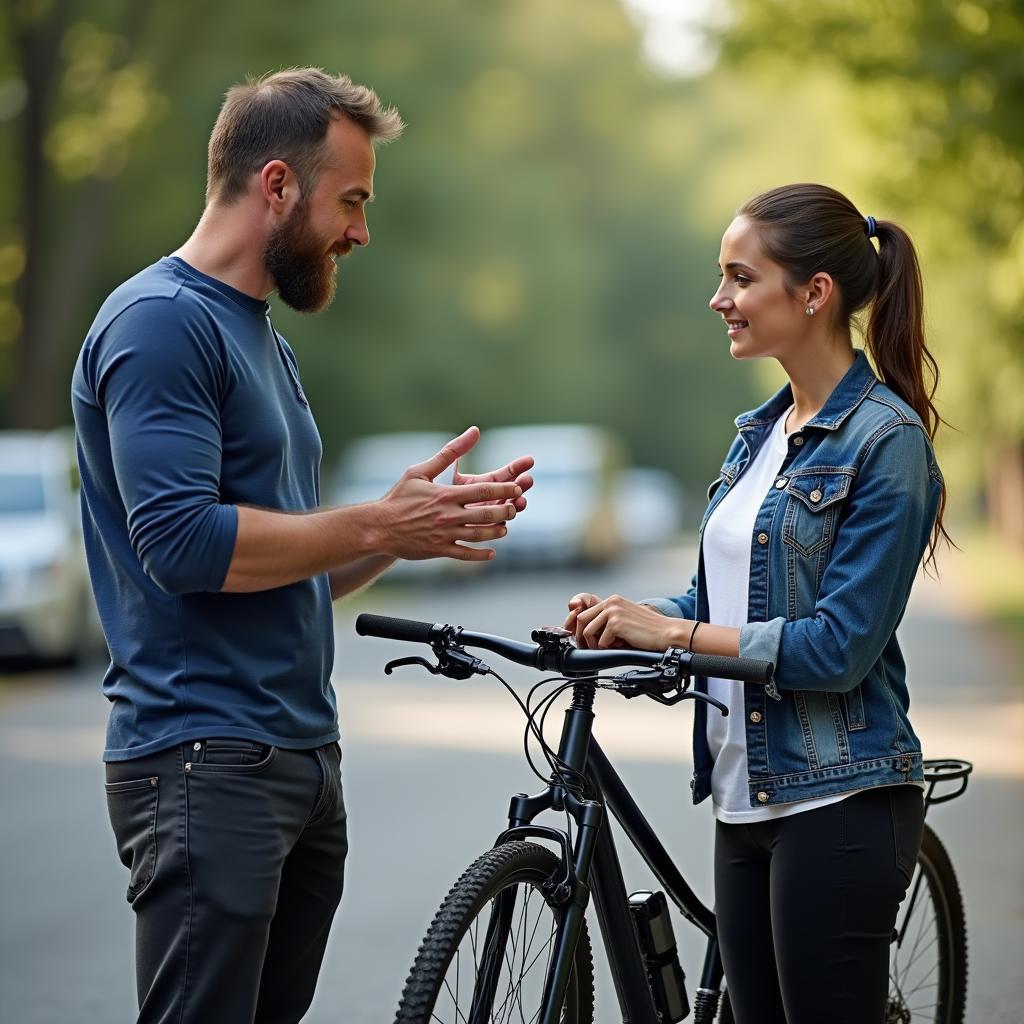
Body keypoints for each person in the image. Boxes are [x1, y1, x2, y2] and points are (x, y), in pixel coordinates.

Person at [71, 68, 533, 1024]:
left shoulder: (260, 338)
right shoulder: (161, 324)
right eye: (352, 199)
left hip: (295, 760)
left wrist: (410, 529)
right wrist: (373, 522)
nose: (361, 231)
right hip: (204, 759)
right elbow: (184, 545)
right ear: (277, 185)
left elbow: (289, 564)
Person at [563, 183, 948, 1024]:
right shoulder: (759, 436)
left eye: (740, 277)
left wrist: (675, 630)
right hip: (745, 796)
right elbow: (723, 598)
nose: (719, 299)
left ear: (813, 294)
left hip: (840, 798)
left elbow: (837, 646)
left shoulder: (889, 444)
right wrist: (625, 618)